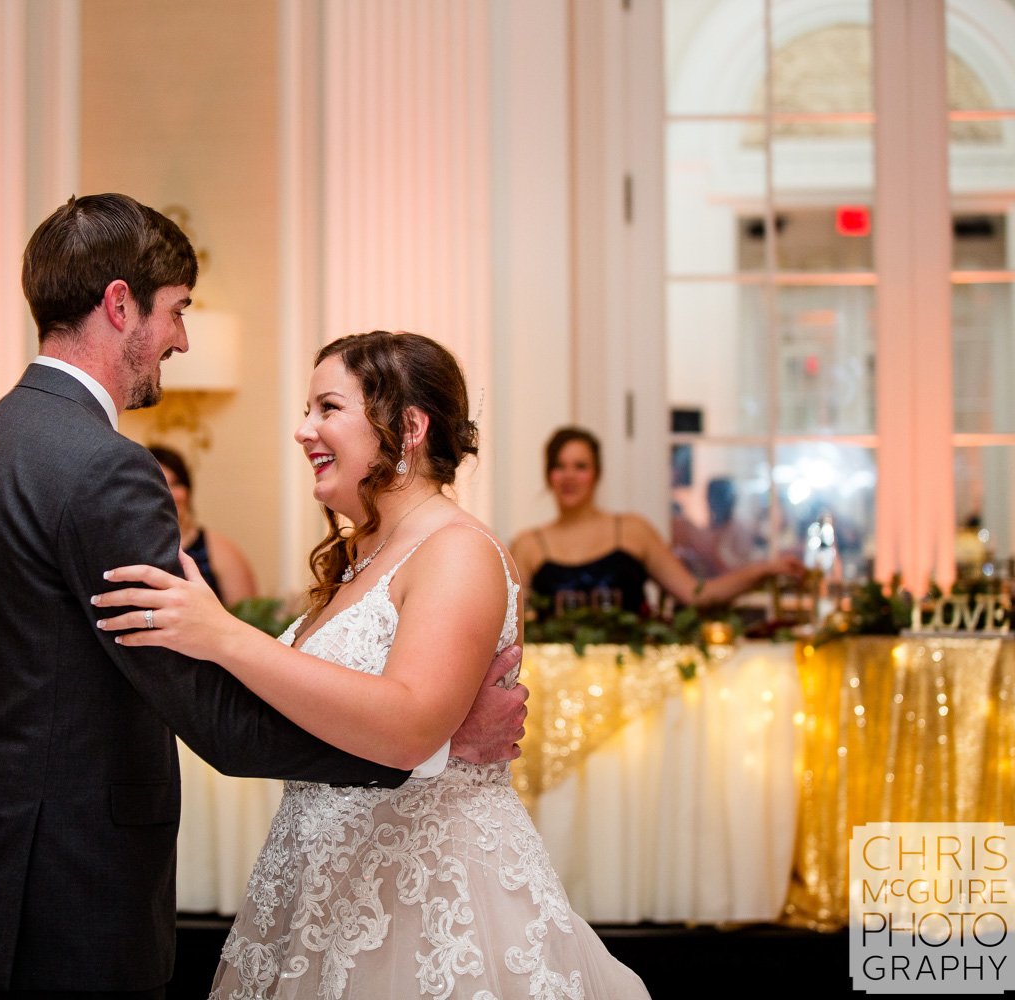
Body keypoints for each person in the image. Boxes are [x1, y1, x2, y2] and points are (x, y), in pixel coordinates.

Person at [0, 194, 527, 999]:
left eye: (327, 408)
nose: (182, 338)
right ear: (119, 304)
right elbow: (217, 723)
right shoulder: (106, 468)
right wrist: (432, 745)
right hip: (74, 893)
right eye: (176, 312)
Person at [98, 331, 649, 999]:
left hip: (425, 894)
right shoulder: (361, 552)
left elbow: (411, 723)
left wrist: (228, 636)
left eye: (328, 407)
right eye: (307, 410)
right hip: (323, 888)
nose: (304, 431)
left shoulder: (456, 550)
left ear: (409, 427)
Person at [510, 426, 802, 617]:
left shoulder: (633, 531)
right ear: (548, 475)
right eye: (560, 467)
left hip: (636, 683)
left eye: (580, 466)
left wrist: (763, 571)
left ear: (597, 474)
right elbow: (514, 632)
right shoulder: (527, 546)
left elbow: (696, 594)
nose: (569, 476)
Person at [146, 444, 259, 607]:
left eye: (176, 484)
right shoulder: (127, 548)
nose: (170, 494)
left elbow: (250, 617)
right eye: (160, 484)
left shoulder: (218, 550)